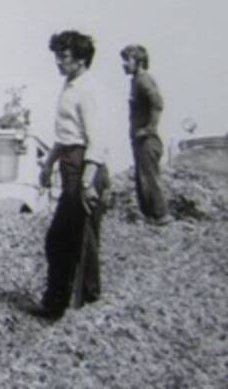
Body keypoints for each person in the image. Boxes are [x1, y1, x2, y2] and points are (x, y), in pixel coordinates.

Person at [32, 30, 108, 321]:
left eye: (63, 57)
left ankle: (85, 308)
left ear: (80, 59)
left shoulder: (87, 89)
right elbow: (64, 135)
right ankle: (56, 304)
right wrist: (48, 164)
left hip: (84, 166)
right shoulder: (70, 86)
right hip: (69, 162)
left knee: (80, 239)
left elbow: (96, 138)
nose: (58, 62)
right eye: (57, 56)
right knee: (59, 239)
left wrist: (88, 180)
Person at [120, 44, 172, 226]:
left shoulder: (144, 80)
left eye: (127, 60)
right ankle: (150, 217)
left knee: (148, 177)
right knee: (142, 176)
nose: (124, 64)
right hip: (139, 139)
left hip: (147, 140)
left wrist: (149, 128)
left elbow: (157, 103)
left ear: (138, 61)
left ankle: (161, 216)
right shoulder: (135, 81)